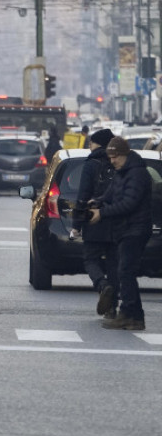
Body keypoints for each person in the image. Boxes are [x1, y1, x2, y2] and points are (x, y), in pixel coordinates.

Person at [89, 136, 153, 330]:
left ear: (125, 154)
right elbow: (112, 194)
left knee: (125, 271)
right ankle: (135, 317)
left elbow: (128, 204)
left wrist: (102, 212)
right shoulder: (122, 172)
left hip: (136, 228)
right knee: (125, 271)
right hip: (126, 229)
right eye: (110, 157)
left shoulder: (137, 174)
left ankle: (127, 314)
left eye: (115, 157)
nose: (112, 161)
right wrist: (98, 201)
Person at [72, 128, 117, 315]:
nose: (89, 145)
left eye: (91, 142)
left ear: (98, 143)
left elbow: (82, 196)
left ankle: (102, 284)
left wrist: (76, 225)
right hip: (116, 220)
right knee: (114, 263)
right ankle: (113, 308)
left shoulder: (91, 164)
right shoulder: (118, 162)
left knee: (91, 259)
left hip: (94, 220)